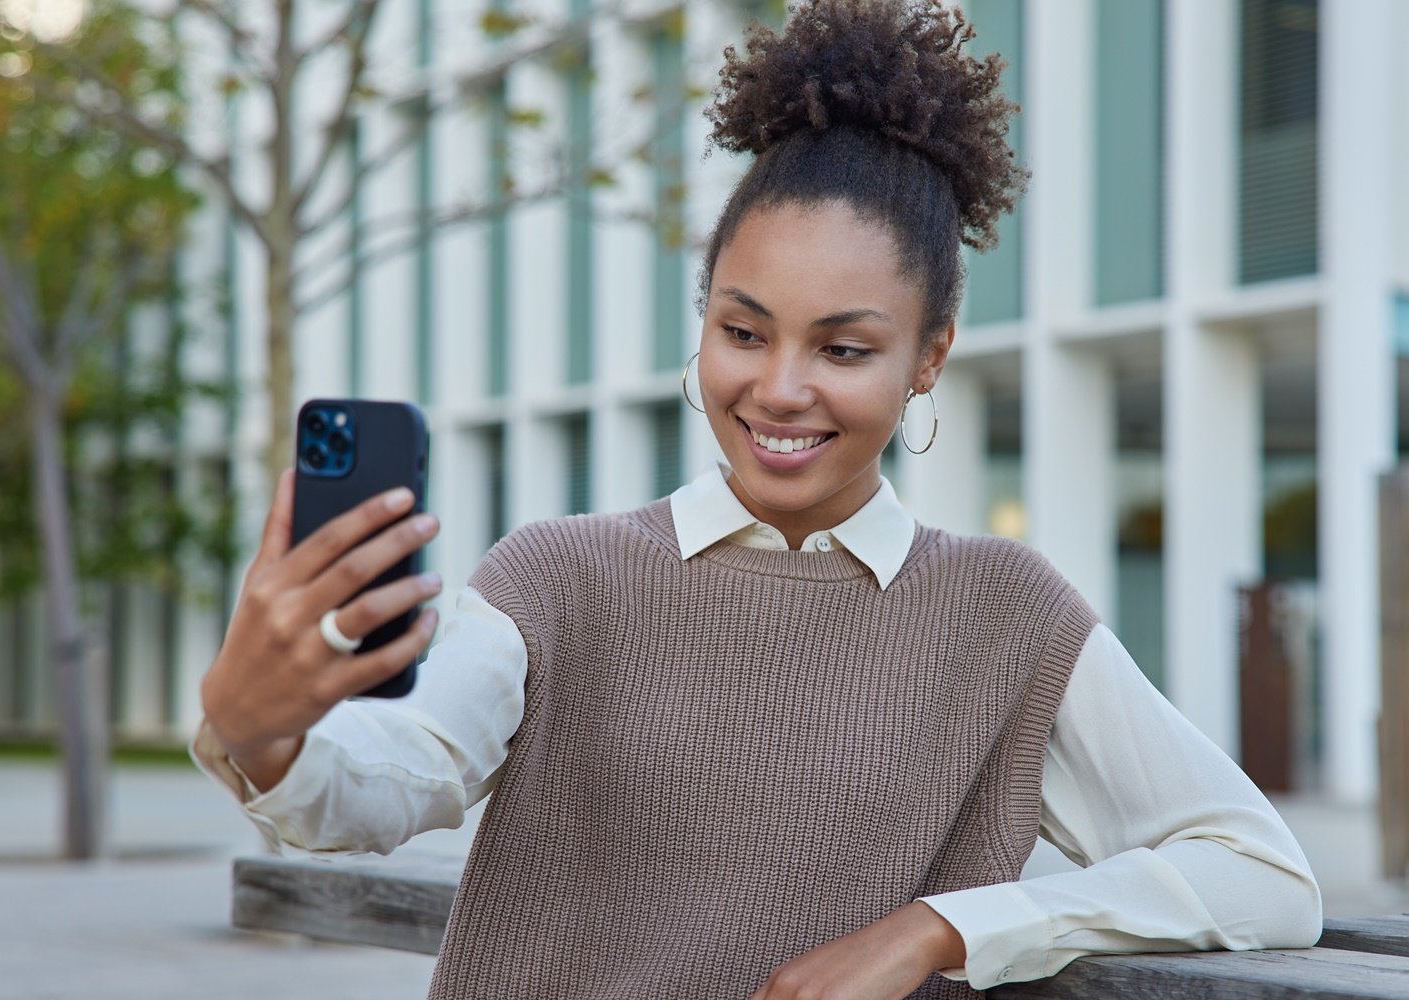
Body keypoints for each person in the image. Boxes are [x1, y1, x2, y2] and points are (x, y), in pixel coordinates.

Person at [190, 1, 1322, 996]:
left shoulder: (1005, 615)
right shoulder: (559, 576)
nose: (778, 389)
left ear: (928, 357)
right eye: (743, 330)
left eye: (843, 347)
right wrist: (261, 728)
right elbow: (394, 780)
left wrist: (942, 929)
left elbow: (1264, 873)